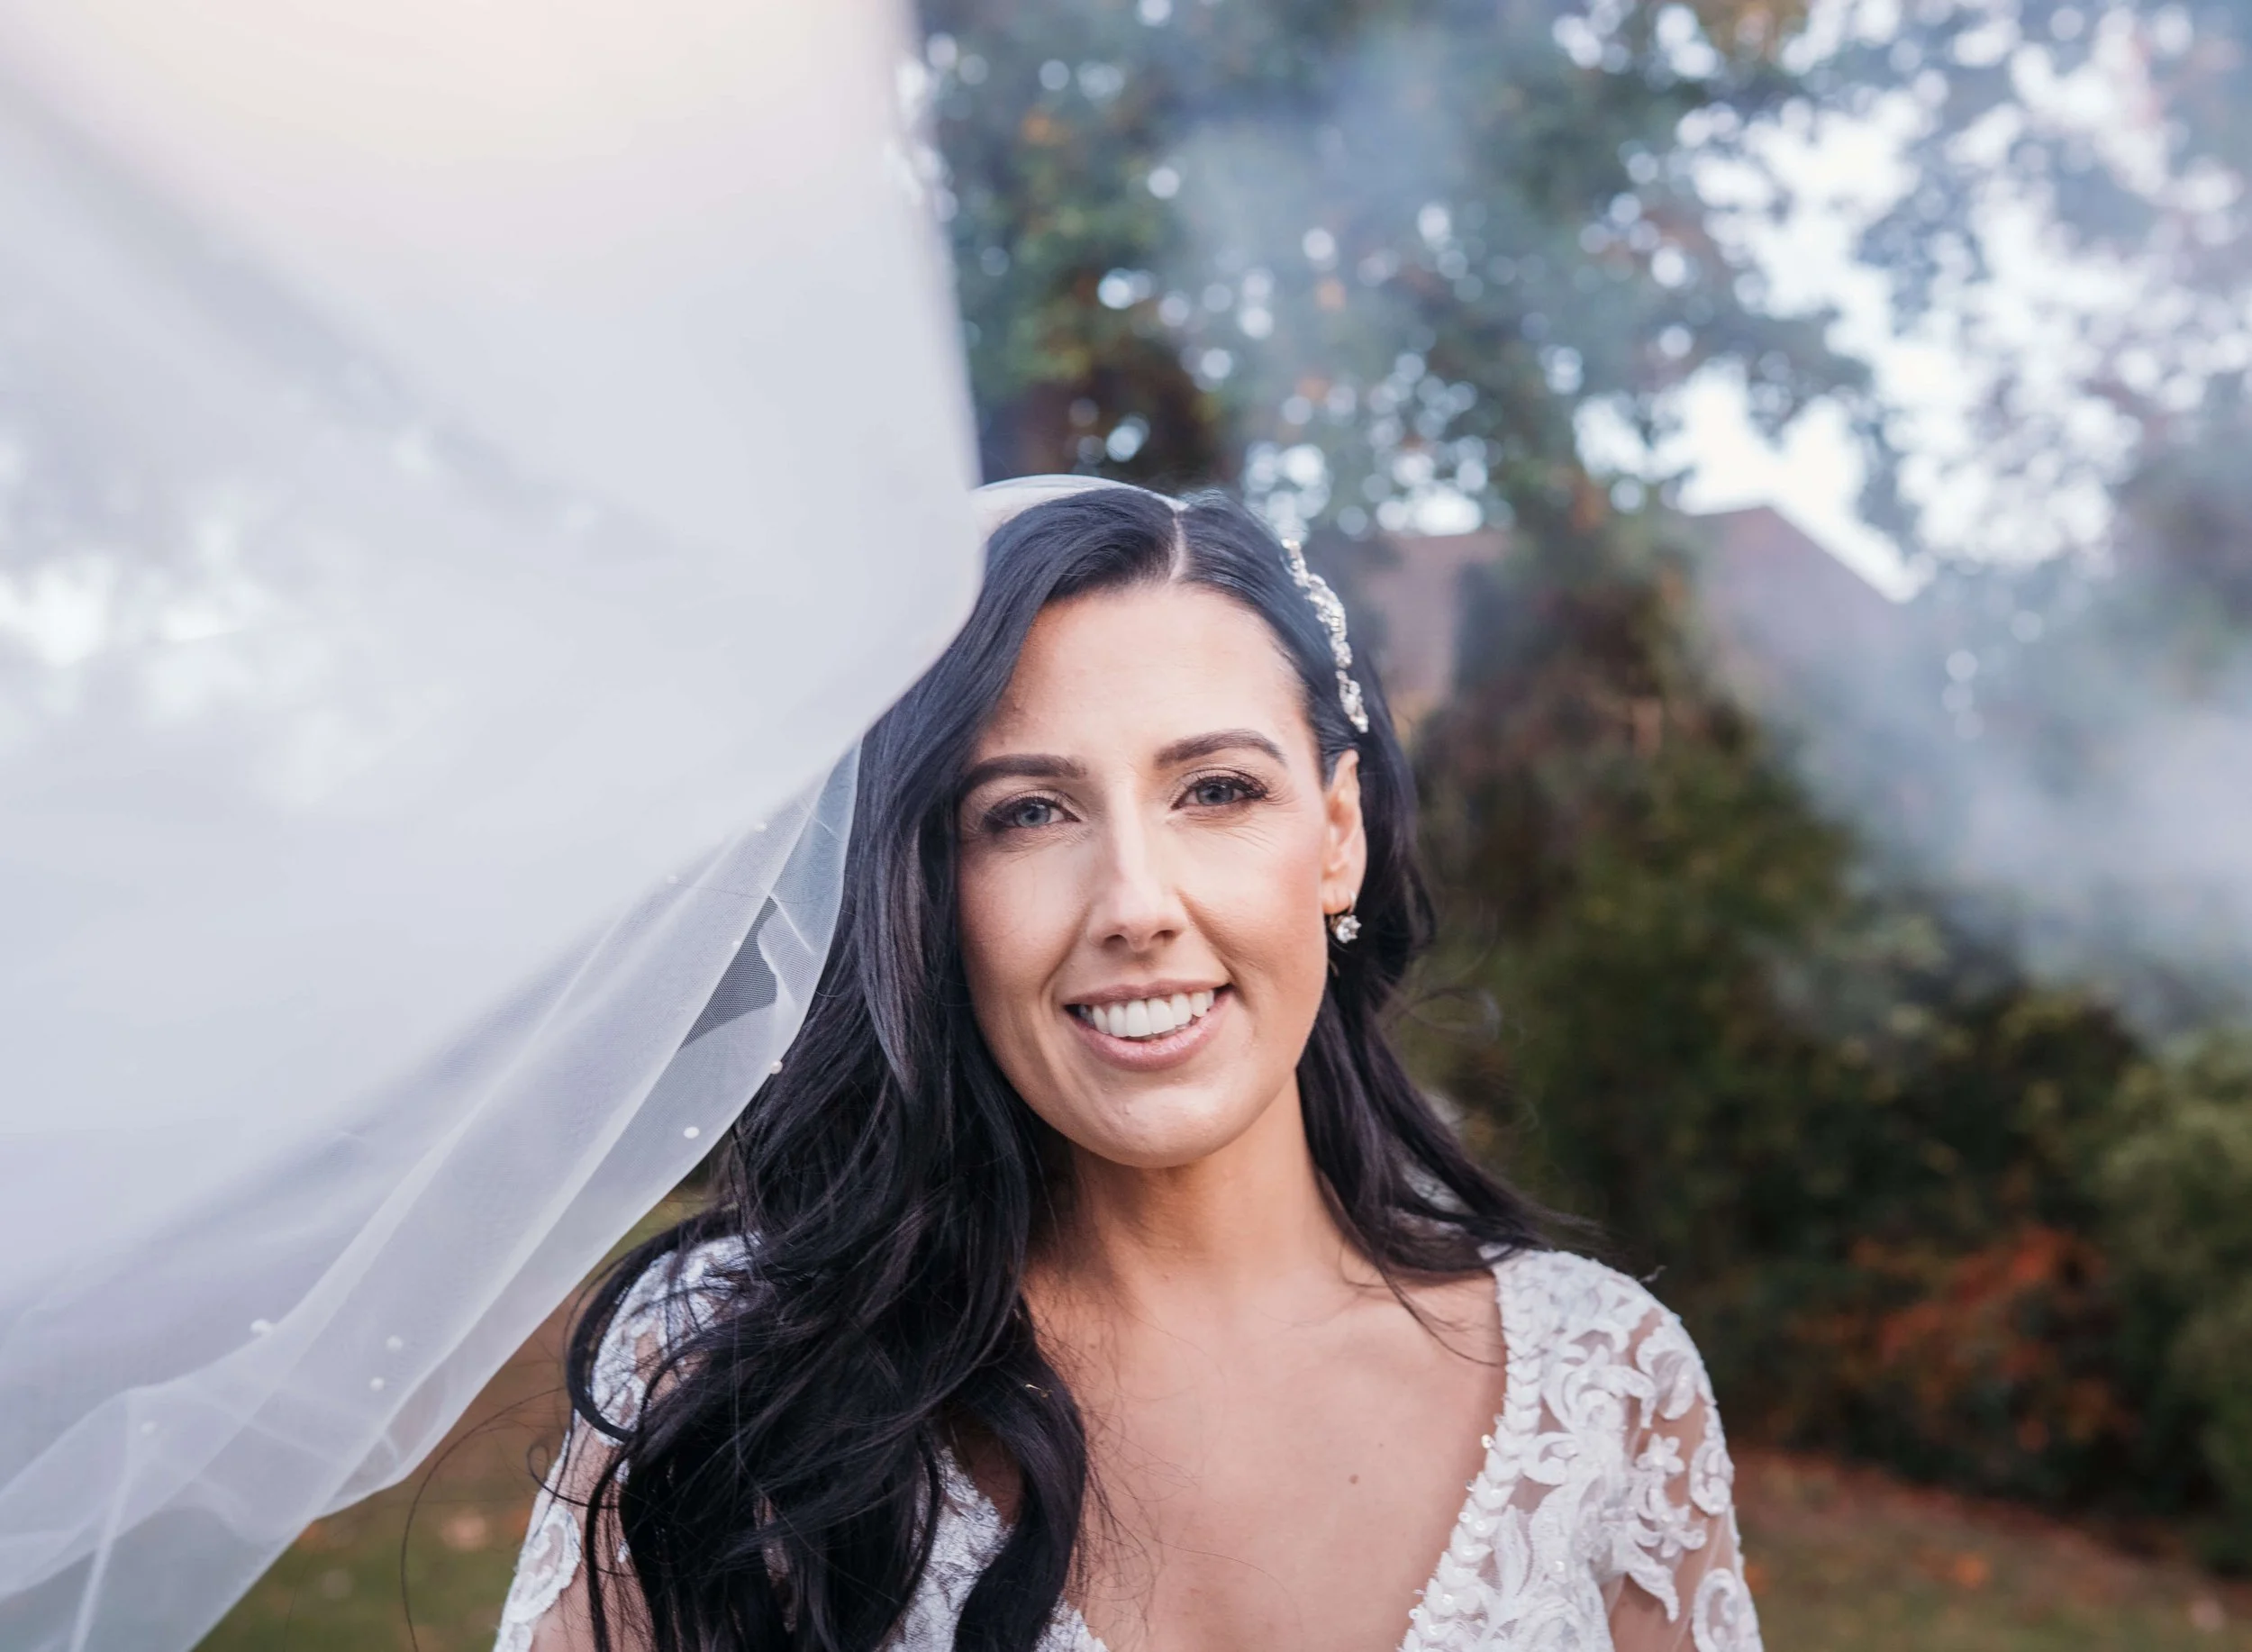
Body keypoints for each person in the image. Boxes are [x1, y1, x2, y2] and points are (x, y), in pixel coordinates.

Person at [494, 479, 1762, 1652]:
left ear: (1337, 833)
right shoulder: (726, 1374)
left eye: (1216, 790)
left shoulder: (1608, 1387)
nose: (1135, 904)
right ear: (935, 885)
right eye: (1029, 813)